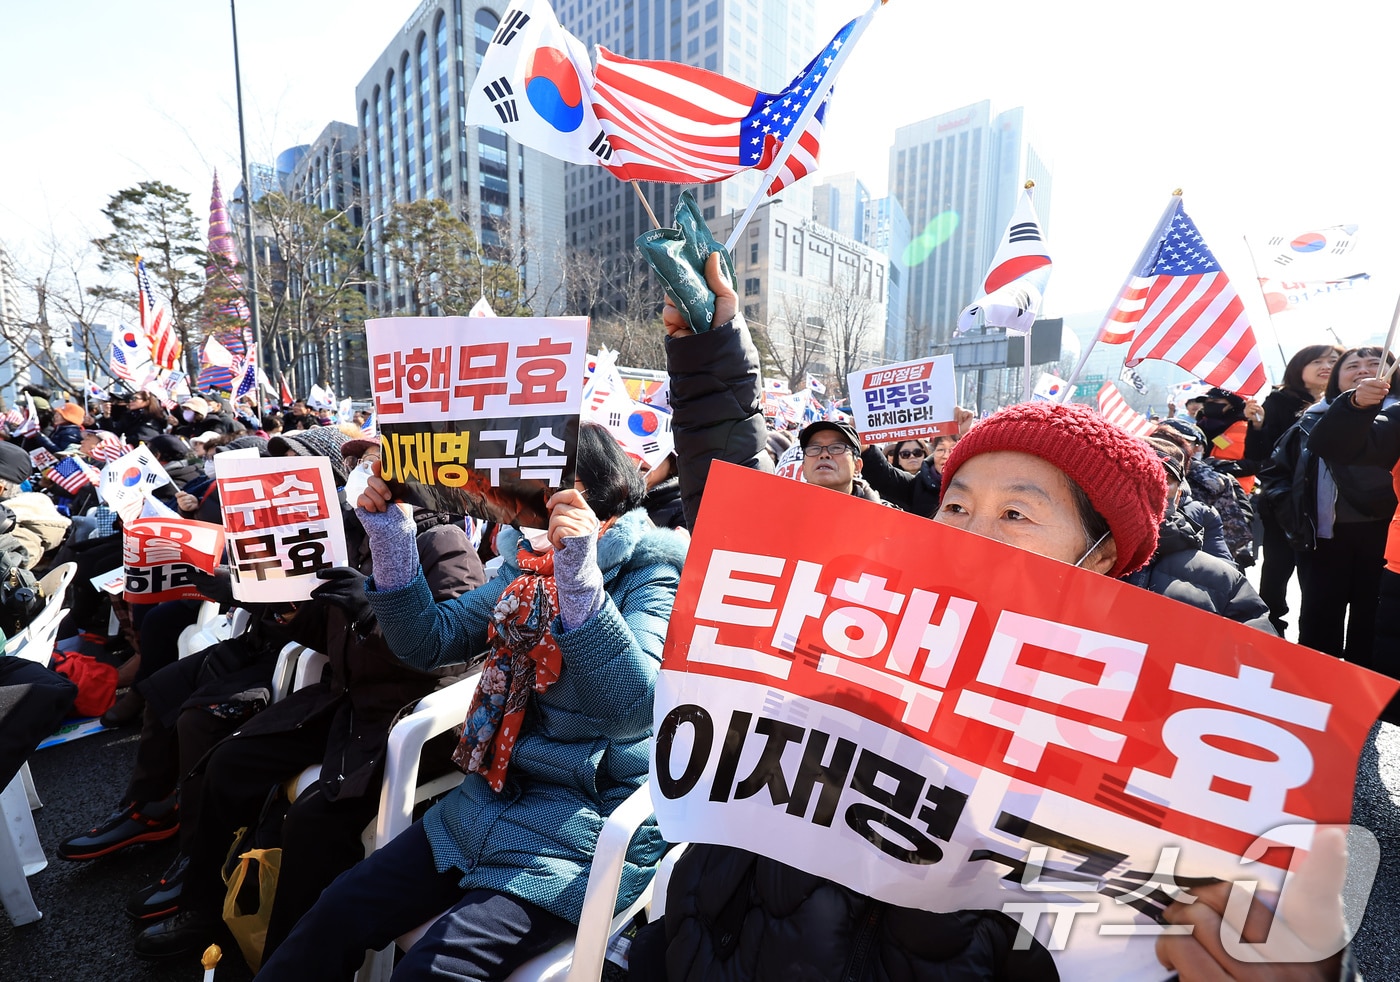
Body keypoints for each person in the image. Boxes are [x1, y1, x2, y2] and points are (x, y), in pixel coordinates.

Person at [635, 250, 1350, 982]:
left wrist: (1287, 953)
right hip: (728, 944)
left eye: (1015, 514)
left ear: (1102, 553)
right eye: (956, 506)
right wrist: (712, 357)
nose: (970, 536)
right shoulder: (871, 607)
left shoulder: (1157, 694)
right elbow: (749, 523)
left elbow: (1255, 880)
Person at [257, 422, 687, 981]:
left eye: (537, 489)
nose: (516, 505)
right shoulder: (526, 566)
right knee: (334, 912)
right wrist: (391, 535)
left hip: (579, 831)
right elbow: (429, 642)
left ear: (586, 492)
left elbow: (631, 710)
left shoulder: (653, 571)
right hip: (485, 800)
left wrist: (580, 579)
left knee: (434, 969)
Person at [131, 440, 487, 959]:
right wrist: (275, 602)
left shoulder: (441, 541)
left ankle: (286, 956)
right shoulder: (354, 537)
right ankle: (204, 906)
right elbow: (330, 631)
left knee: (314, 821)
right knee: (230, 761)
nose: (364, 475)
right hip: (348, 702)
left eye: (376, 466)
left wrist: (374, 614)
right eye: (358, 465)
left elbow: (456, 655)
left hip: (408, 722)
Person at [1282, 348, 1397, 664]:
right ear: (1337, 379)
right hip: (1322, 536)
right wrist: (1290, 514)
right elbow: (1279, 471)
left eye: (1375, 364)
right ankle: (1316, 686)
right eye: (1352, 365)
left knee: (1372, 622)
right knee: (1318, 620)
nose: (1364, 370)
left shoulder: (1393, 418)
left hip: (1383, 537)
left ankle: (1363, 689)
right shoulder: (1310, 418)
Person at [1127, 442, 1275, 631]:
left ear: (1178, 495)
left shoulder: (1220, 577)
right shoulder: (1091, 550)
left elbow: (1256, 641)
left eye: (1165, 478)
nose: (1152, 485)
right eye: (1139, 474)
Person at [1247, 344, 1343, 633]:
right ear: (1298, 368)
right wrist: (1258, 427)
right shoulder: (1278, 402)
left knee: (1321, 578)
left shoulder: (1349, 402)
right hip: (1286, 504)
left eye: (1334, 360)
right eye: (1317, 361)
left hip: (1333, 507)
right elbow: (1259, 457)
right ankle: (1269, 626)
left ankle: (1314, 638)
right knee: (1277, 568)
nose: (1326, 366)